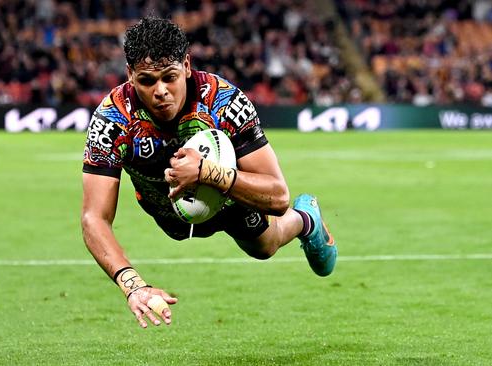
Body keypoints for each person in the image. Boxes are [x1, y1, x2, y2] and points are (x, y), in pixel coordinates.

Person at [81, 17, 337, 329]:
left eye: (169, 77)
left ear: (186, 66)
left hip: (231, 199)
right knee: (181, 231)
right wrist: (132, 286)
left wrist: (207, 172)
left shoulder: (223, 101)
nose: (160, 91)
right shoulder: (112, 119)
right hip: (166, 211)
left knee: (265, 247)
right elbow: (94, 218)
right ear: (130, 75)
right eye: (147, 81)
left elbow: (278, 196)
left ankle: (306, 219)